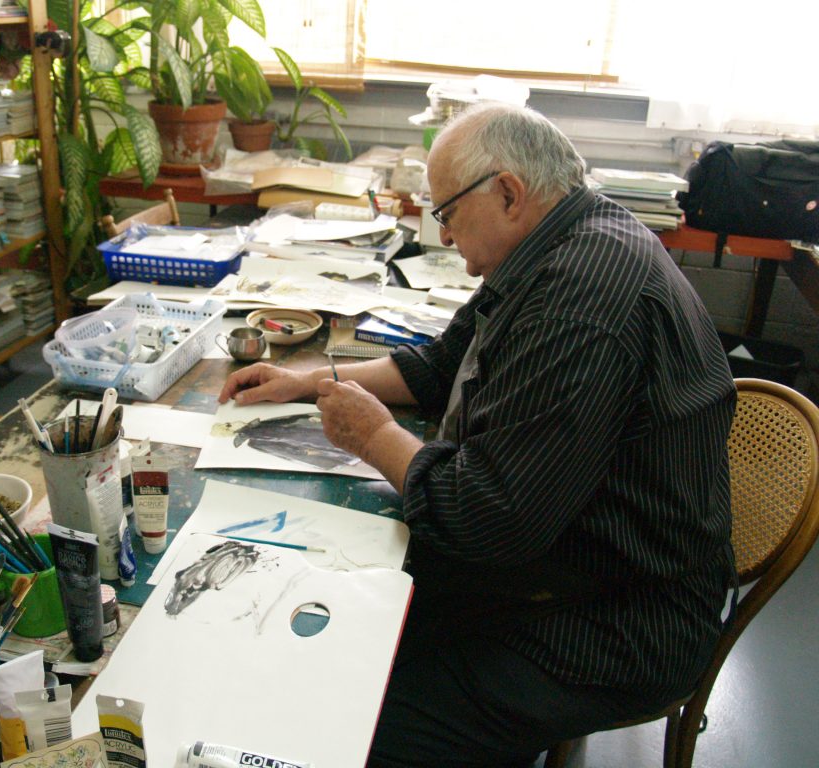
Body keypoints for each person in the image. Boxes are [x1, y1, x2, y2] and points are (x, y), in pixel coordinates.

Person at [218, 102, 736, 767]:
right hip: (567, 565)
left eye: (447, 215)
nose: (451, 245)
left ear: (509, 194)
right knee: (339, 631)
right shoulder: (557, 243)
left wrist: (374, 437)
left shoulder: (582, 297)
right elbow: (442, 363)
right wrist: (314, 374)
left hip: (619, 620)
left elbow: (486, 519)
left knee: (353, 716)